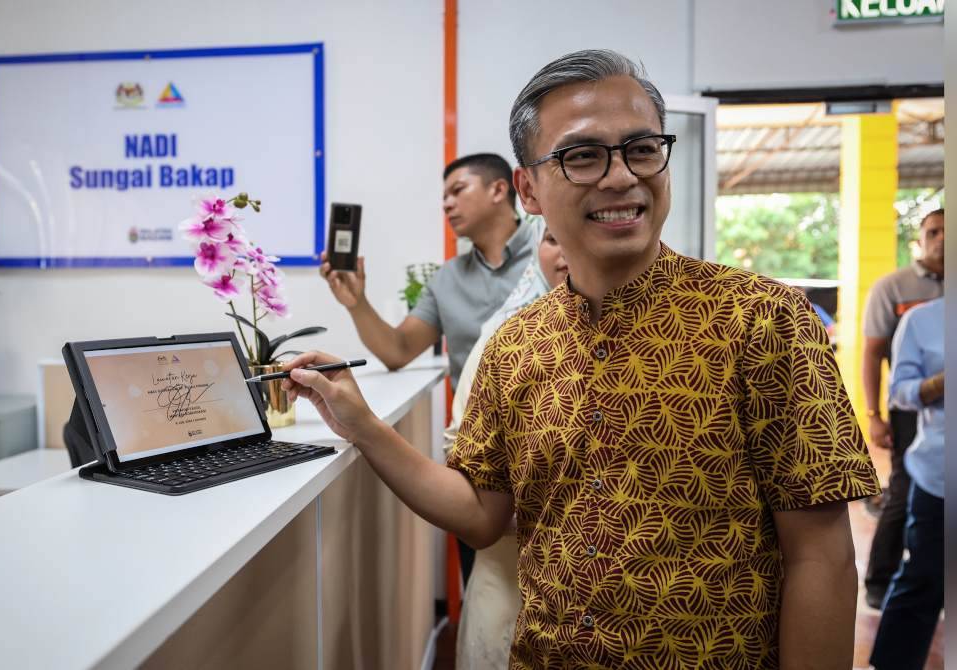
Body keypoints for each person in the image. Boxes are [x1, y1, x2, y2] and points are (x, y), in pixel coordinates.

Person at [285, 49, 880, 668]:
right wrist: (359, 423)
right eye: (583, 155)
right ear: (529, 189)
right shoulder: (514, 345)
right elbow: (483, 516)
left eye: (643, 148)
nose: (621, 176)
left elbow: (823, 557)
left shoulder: (763, 321)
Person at [445, 222, 568, 670]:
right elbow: (462, 451)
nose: (567, 250)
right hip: (512, 586)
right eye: (554, 238)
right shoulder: (505, 341)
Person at [319, 152, 535, 391]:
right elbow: (398, 351)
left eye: (458, 190)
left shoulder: (555, 255)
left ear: (498, 190)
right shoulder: (446, 279)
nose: (446, 204)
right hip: (476, 425)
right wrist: (357, 303)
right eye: (444, 197)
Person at [861, 209, 944, 609]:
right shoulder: (894, 287)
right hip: (911, 407)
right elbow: (872, 354)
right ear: (920, 239)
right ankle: (879, 582)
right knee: (904, 490)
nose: (942, 239)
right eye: (933, 231)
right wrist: (874, 416)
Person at [868, 297, 944, 670]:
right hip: (940, 479)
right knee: (923, 582)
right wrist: (941, 383)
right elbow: (899, 392)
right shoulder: (923, 320)